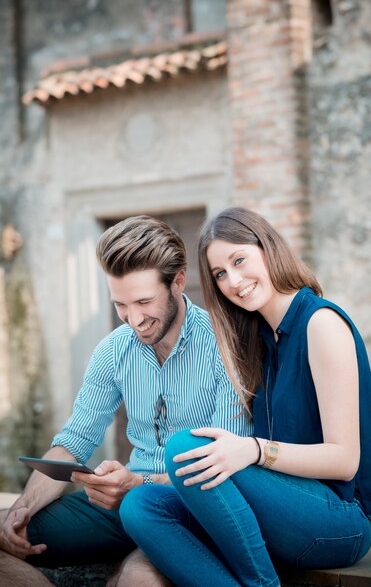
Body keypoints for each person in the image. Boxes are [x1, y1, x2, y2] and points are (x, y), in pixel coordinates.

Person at [119, 206, 371, 587]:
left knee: (185, 447)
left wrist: (255, 450)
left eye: (239, 260)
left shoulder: (322, 325)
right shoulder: (260, 338)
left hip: (344, 519)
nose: (234, 280)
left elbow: (345, 461)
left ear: (267, 248)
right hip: (284, 505)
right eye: (220, 273)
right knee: (141, 507)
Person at [0, 214, 251, 587]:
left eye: (144, 302)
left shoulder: (224, 346)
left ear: (179, 281)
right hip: (119, 504)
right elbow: (71, 445)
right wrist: (21, 510)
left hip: (188, 507)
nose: (133, 319)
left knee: (138, 579)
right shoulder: (113, 350)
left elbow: (218, 471)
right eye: (120, 305)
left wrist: (138, 483)